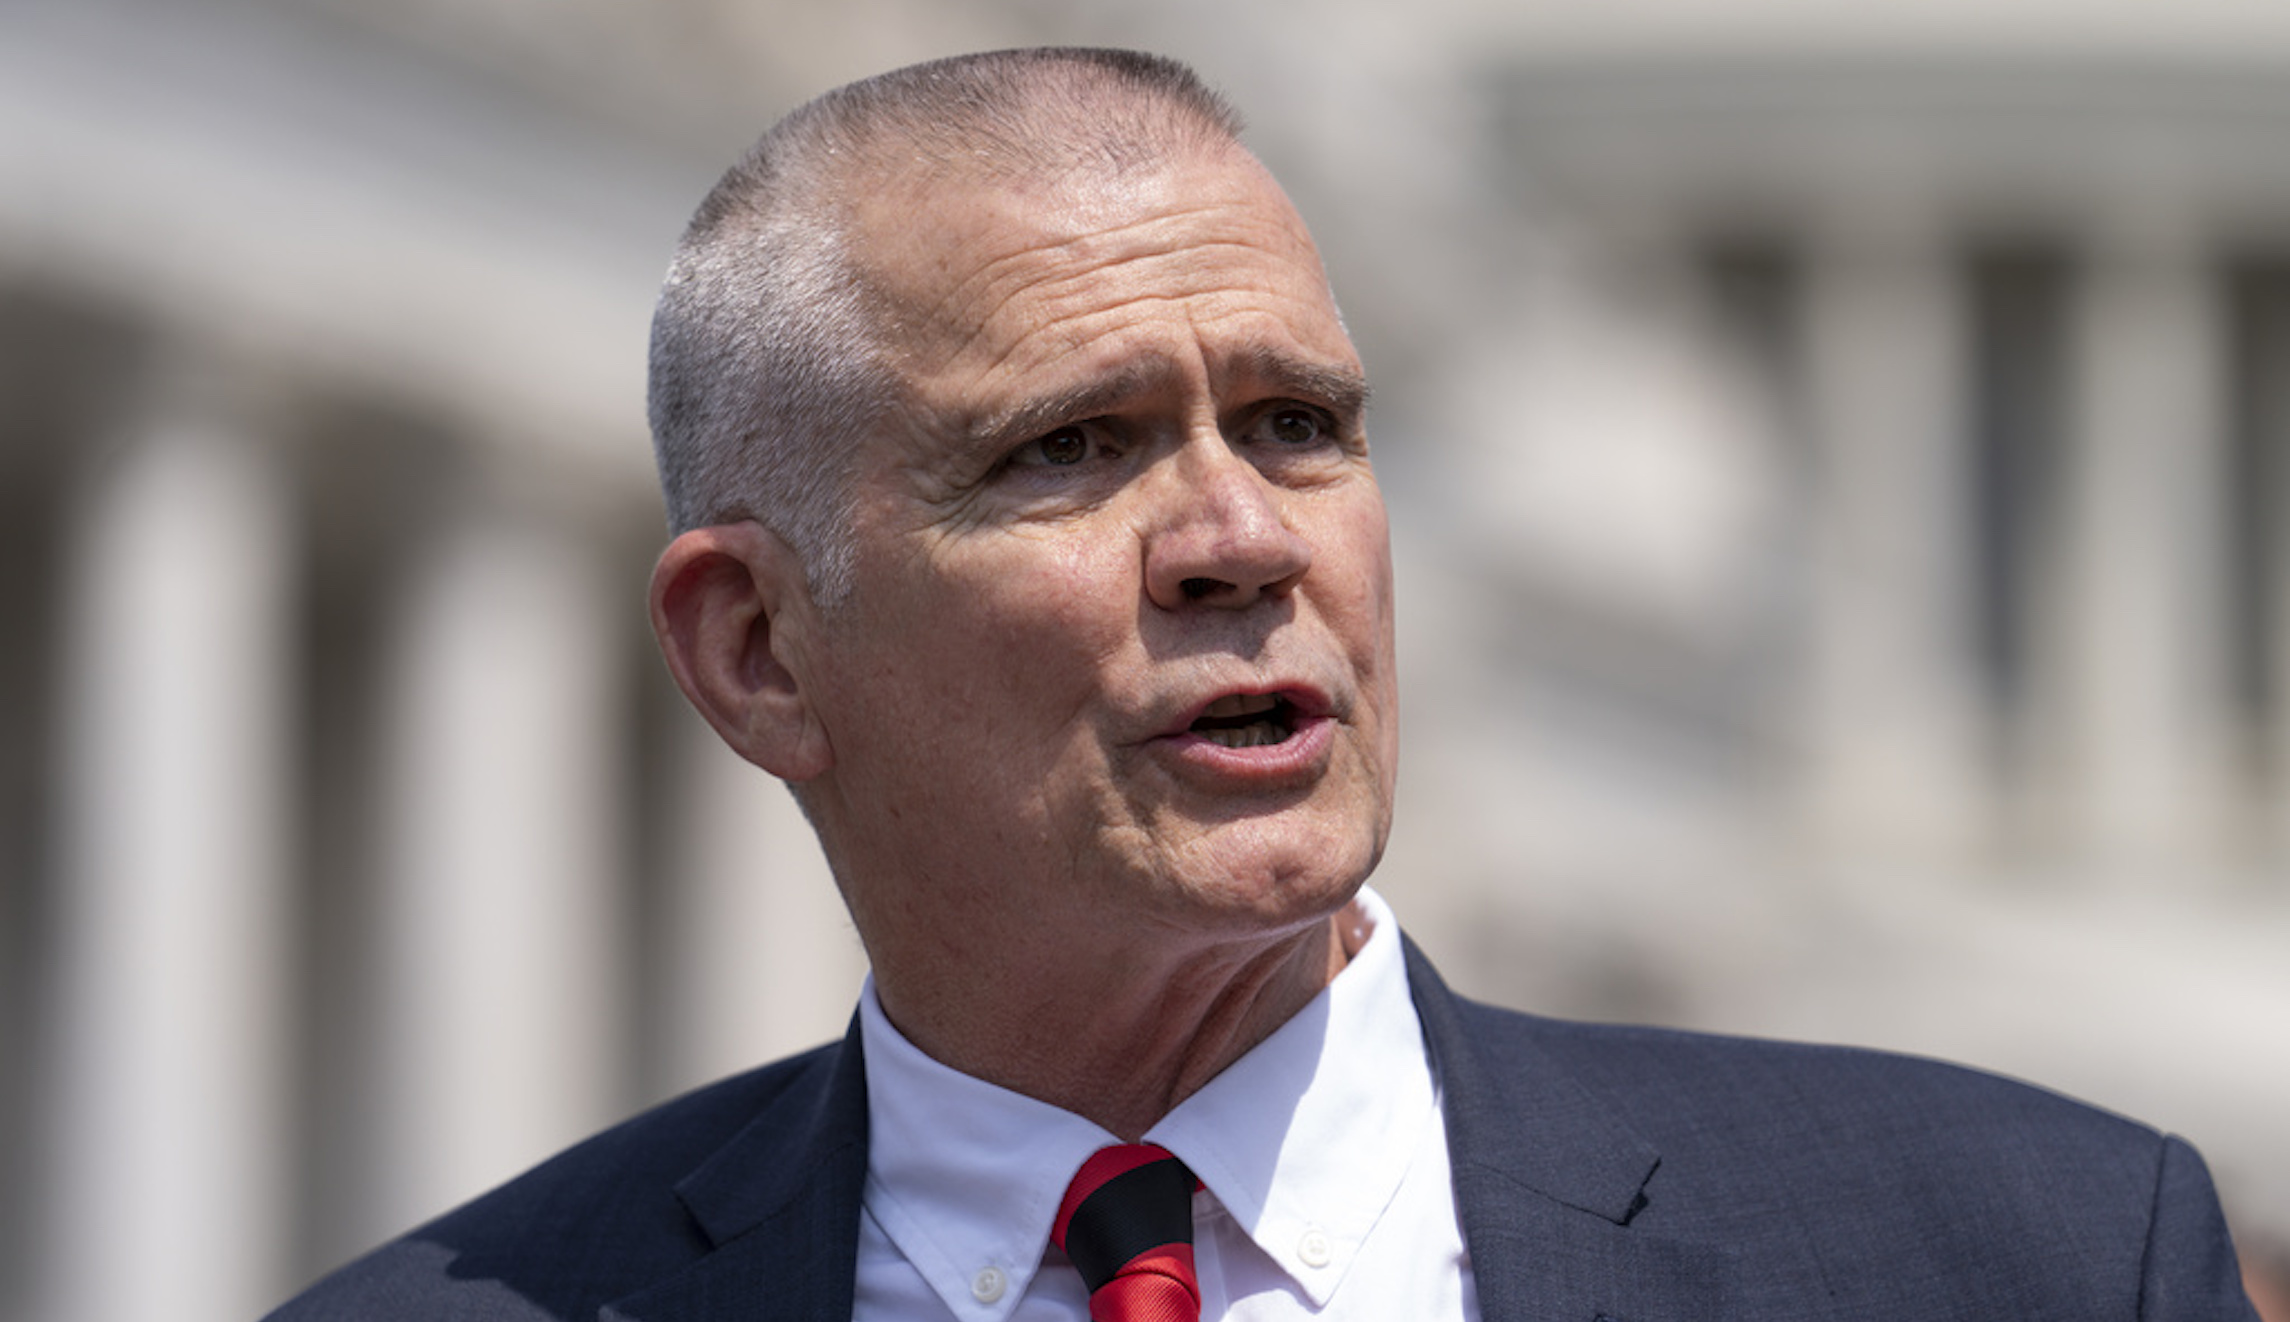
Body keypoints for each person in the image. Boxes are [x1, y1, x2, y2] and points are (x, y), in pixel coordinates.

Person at [268, 47, 2259, 1321]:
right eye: (1070, 447)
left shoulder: (2024, 1259)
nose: (1239, 534)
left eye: (1300, 423)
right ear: (758, 648)